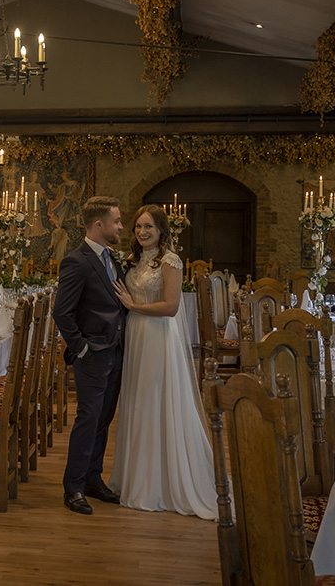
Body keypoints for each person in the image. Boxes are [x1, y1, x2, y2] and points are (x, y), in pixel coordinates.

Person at [108, 204, 217, 520]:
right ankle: (136, 477)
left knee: (157, 400)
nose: (142, 232)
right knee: (138, 402)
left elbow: (170, 307)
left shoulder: (171, 261)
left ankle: (159, 483)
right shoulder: (133, 260)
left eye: (148, 228)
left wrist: (133, 305)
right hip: (136, 335)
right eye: (138, 227)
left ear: (161, 231)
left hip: (157, 336)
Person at [52, 196, 127, 515]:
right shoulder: (77, 261)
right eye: (117, 222)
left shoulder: (111, 257)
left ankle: (93, 479)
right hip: (92, 354)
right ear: (99, 225)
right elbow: (62, 312)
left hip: (116, 352)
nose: (121, 227)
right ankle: (73, 487)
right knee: (87, 418)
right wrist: (81, 348)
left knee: (104, 419)